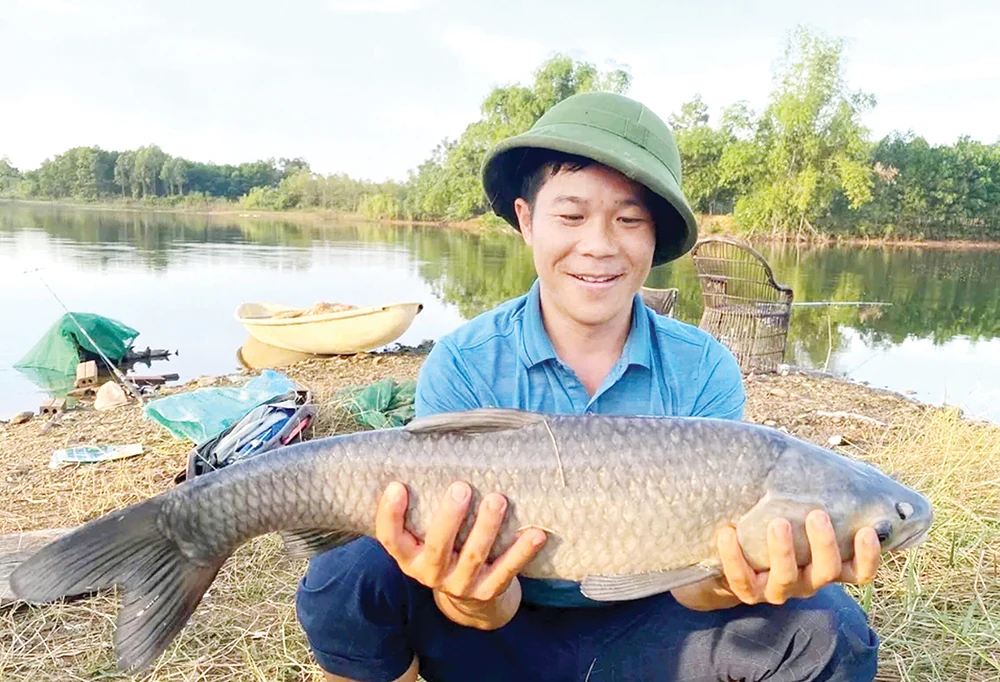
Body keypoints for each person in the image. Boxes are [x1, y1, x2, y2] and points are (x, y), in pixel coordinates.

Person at [296, 92, 882, 682]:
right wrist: (468, 593)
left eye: (629, 220)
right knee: (349, 571)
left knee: (829, 629)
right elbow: (487, 608)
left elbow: (694, 589)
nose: (599, 244)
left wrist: (738, 580)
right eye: (571, 217)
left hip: (653, 632)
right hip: (496, 633)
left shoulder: (703, 367)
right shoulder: (464, 362)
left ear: (655, 236)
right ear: (527, 220)